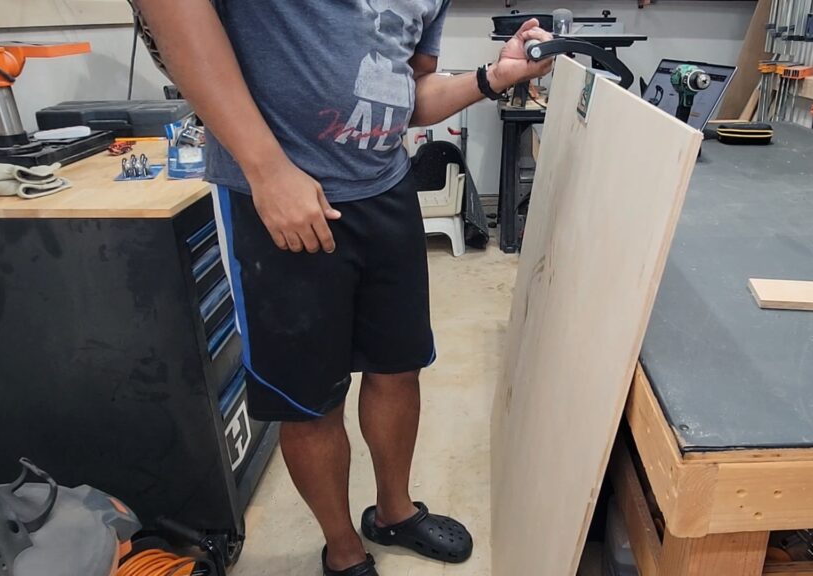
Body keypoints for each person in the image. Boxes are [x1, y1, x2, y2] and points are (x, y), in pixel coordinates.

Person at [133, 1, 553, 575]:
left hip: (385, 190)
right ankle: (343, 548)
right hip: (280, 200)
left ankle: (394, 512)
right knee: (309, 399)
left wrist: (491, 78)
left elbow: (406, 97)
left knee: (397, 368)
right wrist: (267, 171)